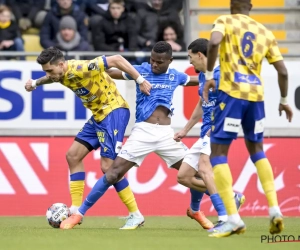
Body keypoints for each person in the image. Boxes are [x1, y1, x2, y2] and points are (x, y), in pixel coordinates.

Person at [59, 41, 223, 230]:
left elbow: (196, 81)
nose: (154, 64)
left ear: (170, 60)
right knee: (113, 172)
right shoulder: (140, 71)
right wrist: (91, 72)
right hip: (142, 132)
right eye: (152, 60)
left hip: (166, 136)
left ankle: (196, 210)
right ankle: (79, 214)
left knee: (194, 173)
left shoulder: (175, 76)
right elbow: (111, 71)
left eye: (159, 62)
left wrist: (218, 84)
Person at [24, 47, 152, 229]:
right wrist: (35, 83)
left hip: (113, 111)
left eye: (50, 70)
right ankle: (75, 209)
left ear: (61, 64)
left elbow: (116, 58)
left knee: (108, 167)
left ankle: (135, 214)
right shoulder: (59, 74)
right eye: (46, 71)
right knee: (73, 156)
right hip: (98, 116)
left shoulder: (82, 67)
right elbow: (51, 78)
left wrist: (140, 80)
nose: (49, 74)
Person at [203, 0, 293, 237]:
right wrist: (284, 100)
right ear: (250, 6)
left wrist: (210, 74)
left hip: (231, 94)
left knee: (219, 153)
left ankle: (233, 218)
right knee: (257, 149)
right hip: (256, 97)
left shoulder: (225, 21)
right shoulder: (265, 31)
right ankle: (274, 210)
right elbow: (282, 70)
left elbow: (213, 42)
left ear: (232, 4)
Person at [174, 38, 245, 232]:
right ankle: (230, 197)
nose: (189, 62)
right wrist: (185, 130)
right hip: (206, 131)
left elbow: (235, 100)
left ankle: (224, 218)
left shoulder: (222, 73)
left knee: (205, 168)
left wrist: (223, 124)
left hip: (218, 129)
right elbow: (201, 102)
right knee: (184, 176)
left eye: (190, 57)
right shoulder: (206, 75)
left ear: (199, 54)